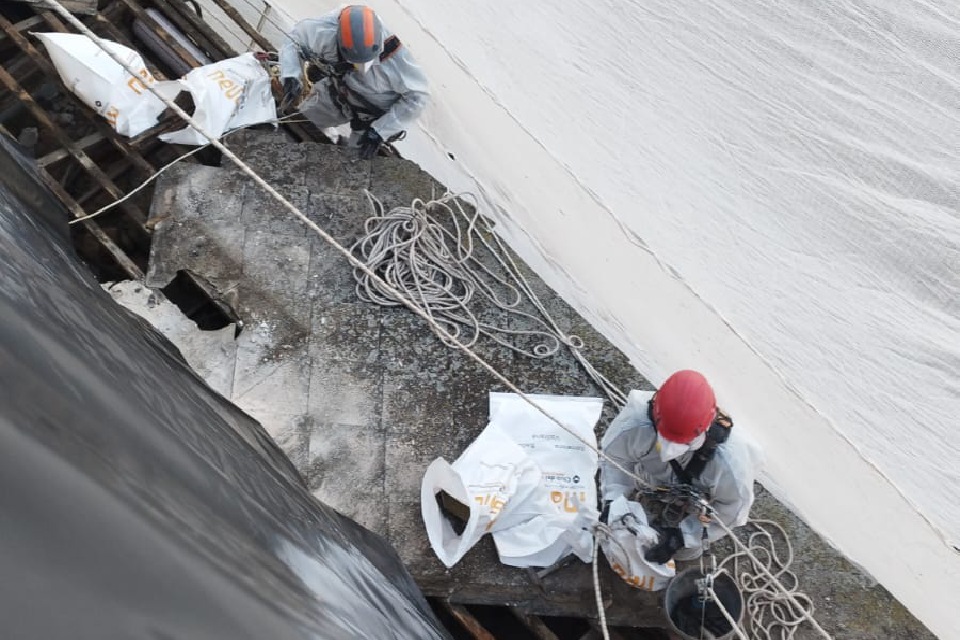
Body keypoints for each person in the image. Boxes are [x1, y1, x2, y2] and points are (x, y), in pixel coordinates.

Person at [599, 370, 762, 563]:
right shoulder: (634, 424)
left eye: (681, 444)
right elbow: (615, 460)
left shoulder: (731, 462)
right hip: (654, 477)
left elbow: (733, 510)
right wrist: (613, 500)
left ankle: (683, 533)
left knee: (686, 554)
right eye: (666, 439)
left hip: (699, 498)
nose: (669, 450)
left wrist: (681, 538)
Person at [278, 5, 430, 159]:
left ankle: (351, 144)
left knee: (356, 162)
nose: (363, 68)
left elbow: (417, 97)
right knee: (301, 123)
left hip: (370, 117)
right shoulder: (323, 31)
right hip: (336, 93)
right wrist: (291, 75)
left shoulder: (396, 58)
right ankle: (331, 139)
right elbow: (294, 41)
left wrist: (380, 131)